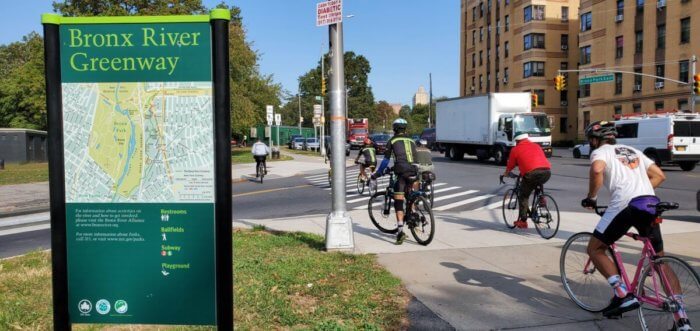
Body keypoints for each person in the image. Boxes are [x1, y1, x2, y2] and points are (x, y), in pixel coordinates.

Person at [580, 121, 688, 325]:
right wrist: (641, 190)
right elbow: (659, 176)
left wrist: (591, 197)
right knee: (659, 260)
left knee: (595, 248)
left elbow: (596, 170)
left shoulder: (602, 151)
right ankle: (681, 317)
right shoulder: (633, 151)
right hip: (649, 203)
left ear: (595, 140)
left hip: (624, 205)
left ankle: (622, 294)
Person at [372, 118, 418, 245]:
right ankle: (414, 214)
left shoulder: (392, 140)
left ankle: (400, 232)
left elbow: (386, 160)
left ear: (395, 129)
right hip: (414, 170)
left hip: (401, 173)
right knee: (410, 197)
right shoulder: (412, 140)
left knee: (398, 202)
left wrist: (378, 173)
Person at [502, 133, 551, 229]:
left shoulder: (515, 149)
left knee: (523, 195)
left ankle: (523, 221)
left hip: (531, 173)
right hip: (547, 171)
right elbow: (535, 161)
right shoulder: (536, 146)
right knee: (538, 179)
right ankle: (541, 198)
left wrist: (506, 173)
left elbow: (511, 164)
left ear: (517, 141)